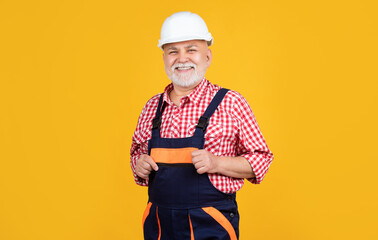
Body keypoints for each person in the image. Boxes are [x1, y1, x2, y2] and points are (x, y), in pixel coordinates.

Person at [130, 11, 273, 240]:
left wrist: (217, 162)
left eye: (191, 49)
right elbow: (137, 153)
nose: (182, 58)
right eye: (173, 51)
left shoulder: (231, 103)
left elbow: (261, 160)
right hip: (159, 225)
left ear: (207, 57)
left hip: (210, 223)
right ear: (164, 57)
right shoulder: (151, 107)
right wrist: (139, 165)